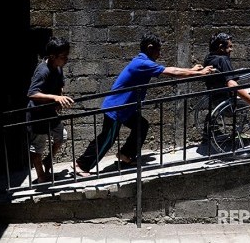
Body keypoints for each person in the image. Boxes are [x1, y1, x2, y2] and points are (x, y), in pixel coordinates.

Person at [74, 32, 215, 176]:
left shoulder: (143, 62)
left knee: (141, 125)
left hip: (125, 109)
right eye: (158, 50)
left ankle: (126, 154)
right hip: (116, 108)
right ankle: (82, 165)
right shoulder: (142, 63)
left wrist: (191, 71)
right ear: (150, 48)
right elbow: (171, 72)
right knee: (107, 139)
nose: (159, 54)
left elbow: (171, 70)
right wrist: (199, 73)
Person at [27, 36, 74, 184]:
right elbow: (32, 93)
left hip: (49, 113)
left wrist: (60, 95)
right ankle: (41, 176)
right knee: (38, 147)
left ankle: (48, 161)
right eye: (63, 57)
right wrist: (55, 98)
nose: (66, 59)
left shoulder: (58, 68)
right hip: (37, 115)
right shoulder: (42, 71)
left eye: (67, 56)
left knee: (62, 135)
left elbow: (60, 84)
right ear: (52, 57)